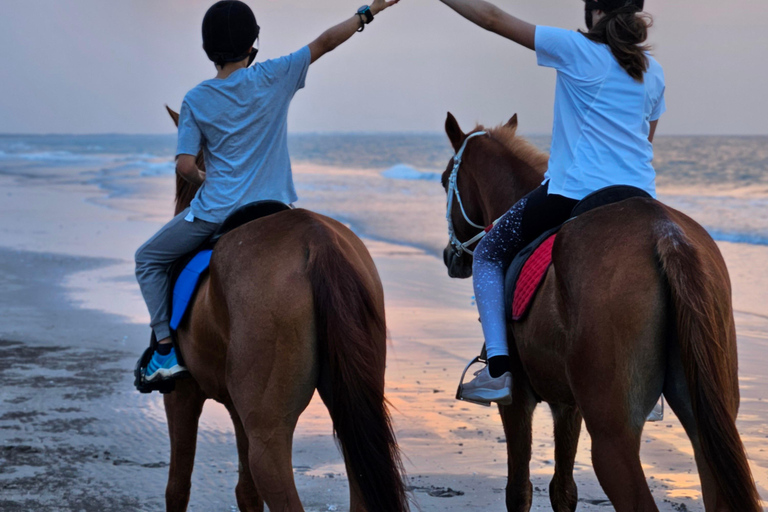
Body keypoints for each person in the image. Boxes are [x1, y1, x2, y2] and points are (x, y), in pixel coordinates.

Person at [134, 0, 400, 388]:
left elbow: (184, 167)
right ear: (252, 44)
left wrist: (209, 179)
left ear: (209, 51)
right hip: (276, 211)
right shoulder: (276, 74)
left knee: (148, 259)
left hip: (217, 214)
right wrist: (368, 11)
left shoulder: (195, 99)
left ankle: (164, 352)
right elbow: (325, 41)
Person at [439, 0, 666, 404]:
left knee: (490, 252)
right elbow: (641, 143)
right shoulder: (654, 73)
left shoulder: (576, 49)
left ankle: (499, 371)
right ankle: (652, 382)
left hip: (573, 193)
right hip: (640, 199)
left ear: (594, 12)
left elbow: (492, 19)